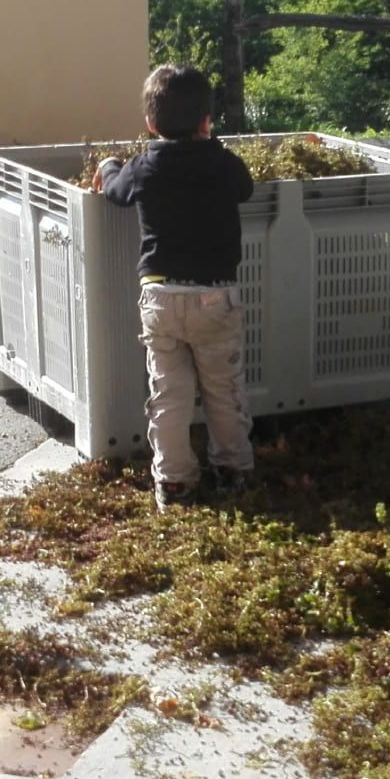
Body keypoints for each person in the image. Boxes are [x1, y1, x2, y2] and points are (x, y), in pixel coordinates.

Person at [93, 65, 255, 510]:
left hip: (161, 296)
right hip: (215, 298)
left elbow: (114, 190)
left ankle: (175, 482)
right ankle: (232, 470)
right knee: (224, 389)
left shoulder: (144, 167)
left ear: (150, 123)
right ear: (207, 121)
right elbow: (246, 187)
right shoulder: (223, 164)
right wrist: (213, 146)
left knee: (169, 393)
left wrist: (109, 166)